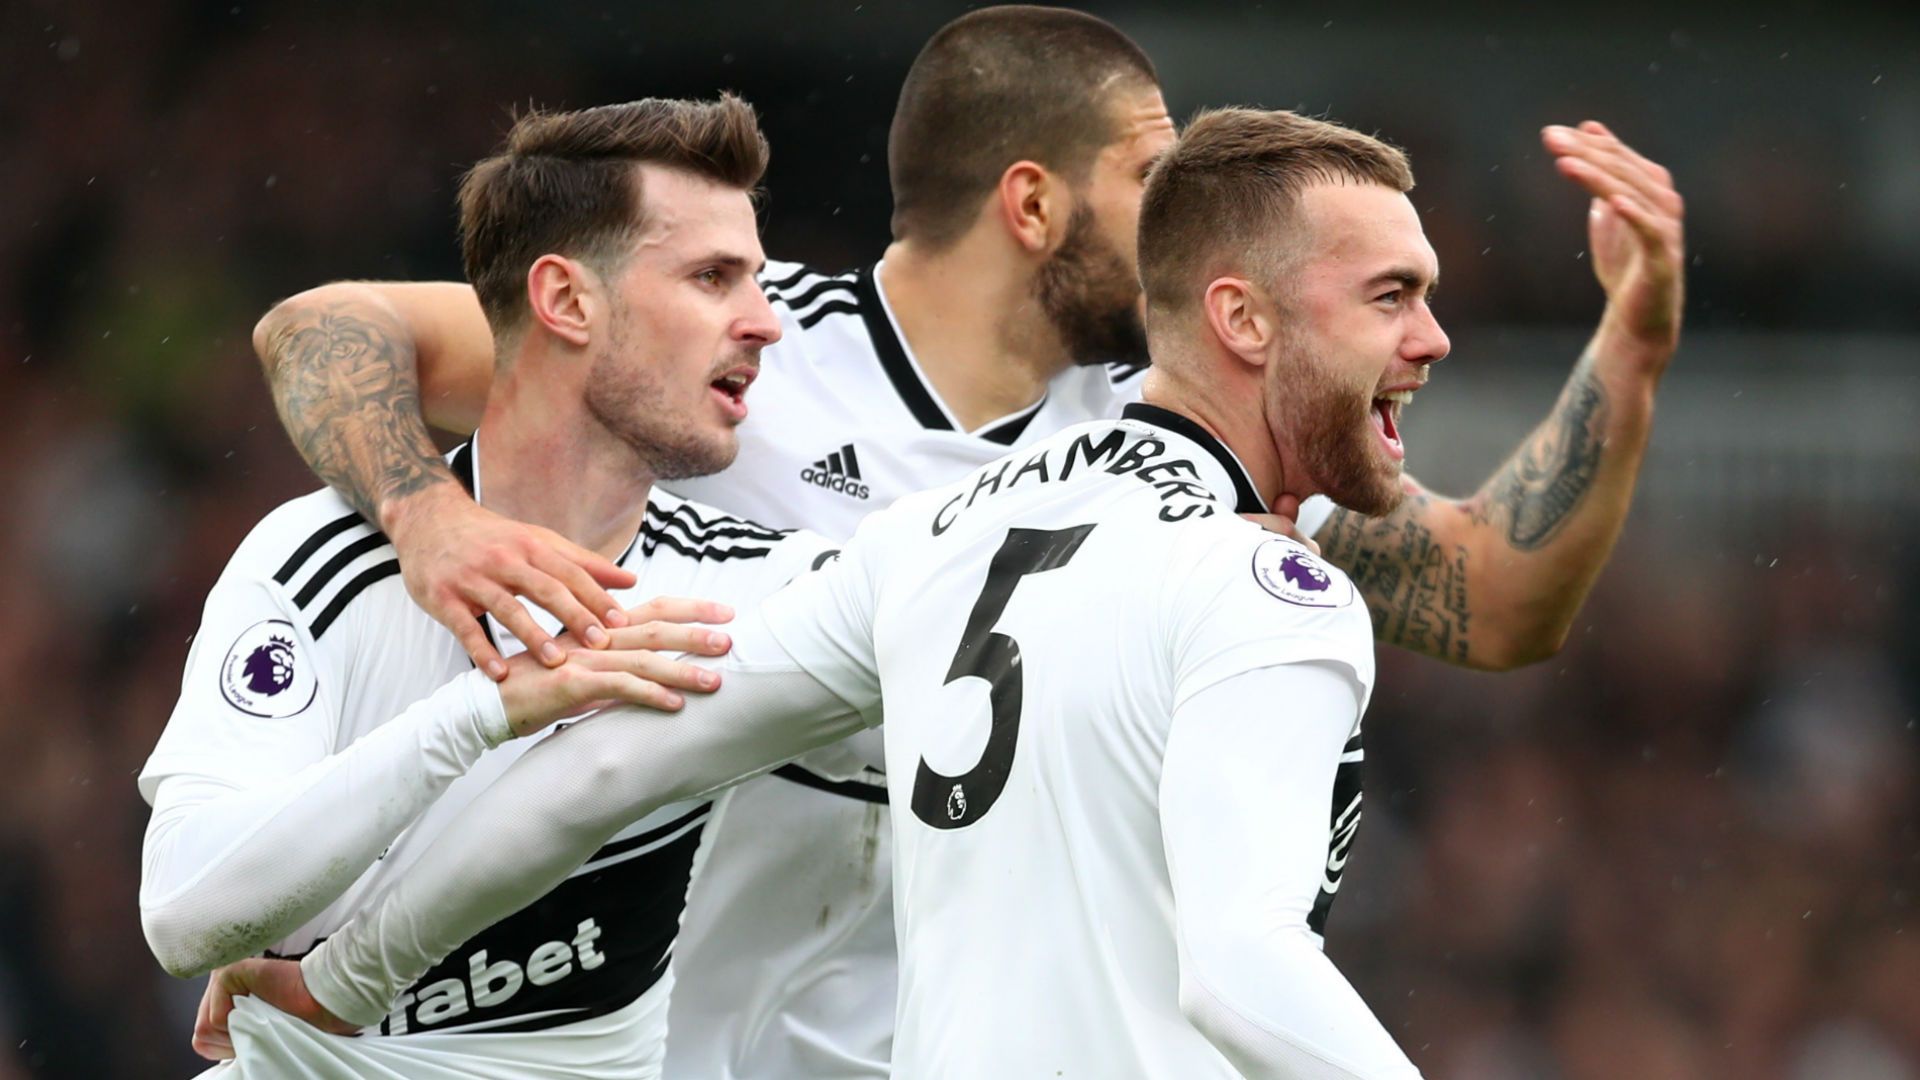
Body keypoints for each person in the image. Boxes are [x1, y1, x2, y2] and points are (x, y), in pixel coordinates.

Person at [236, 8, 1685, 1075]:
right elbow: (326, 325)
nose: (1184, 211)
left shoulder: (1168, 454)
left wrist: (1630, 346)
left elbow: (1495, 599)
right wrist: (428, 516)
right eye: (1149, 175)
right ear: (1032, 200)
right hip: (704, 1040)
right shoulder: (746, 345)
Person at [138, 95, 841, 1078]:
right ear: (565, 301)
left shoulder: (762, 589)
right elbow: (184, 913)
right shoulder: (317, 558)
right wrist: (481, 713)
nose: (766, 322)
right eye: (711, 277)